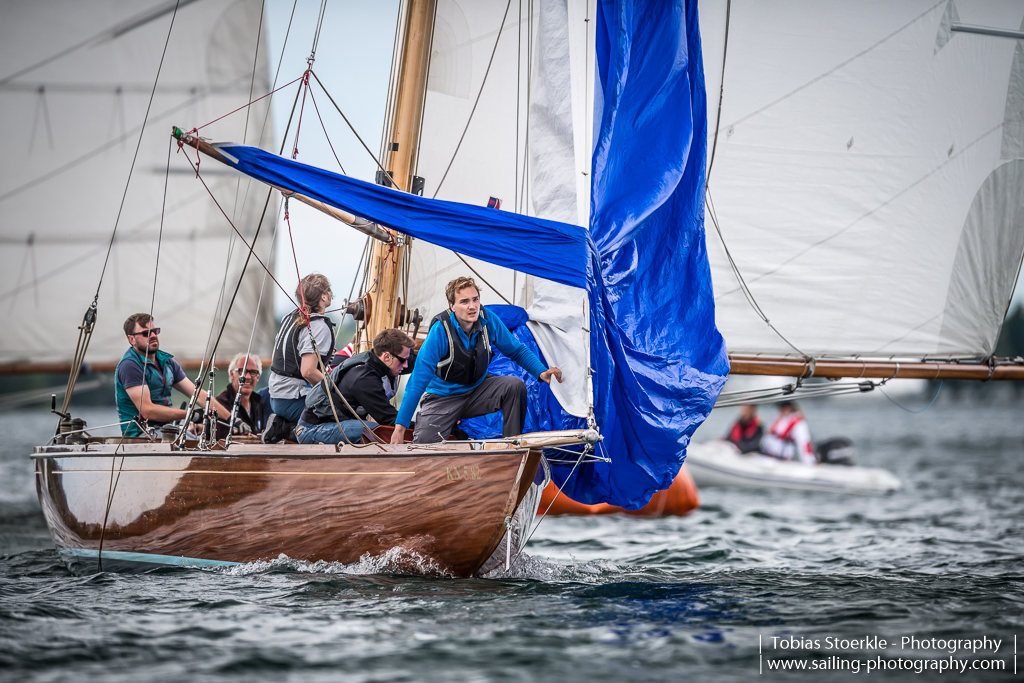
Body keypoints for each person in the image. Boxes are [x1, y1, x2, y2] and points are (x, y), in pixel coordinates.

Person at [391, 276, 562, 445]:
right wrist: (400, 429)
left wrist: (541, 371)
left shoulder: (488, 320)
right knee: (424, 445)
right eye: (464, 301)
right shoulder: (440, 331)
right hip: (443, 398)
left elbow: (516, 350)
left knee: (514, 386)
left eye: (475, 299)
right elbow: (417, 380)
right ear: (452, 306)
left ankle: (511, 447)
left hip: (478, 391)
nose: (472, 306)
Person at [115, 313, 228, 437]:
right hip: (140, 435)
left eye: (155, 331)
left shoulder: (167, 362)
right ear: (131, 339)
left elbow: (199, 395)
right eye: (146, 333)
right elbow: (147, 411)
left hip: (165, 430)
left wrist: (232, 420)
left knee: (211, 440)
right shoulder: (130, 366)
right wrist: (190, 415)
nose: (153, 336)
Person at [296, 328, 414, 444]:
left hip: (337, 423)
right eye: (403, 360)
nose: (405, 365)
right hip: (313, 429)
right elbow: (388, 418)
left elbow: (414, 361)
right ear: (387, 357)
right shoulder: (364, 378)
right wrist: (421, 427)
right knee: (378, 432)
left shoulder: (376, 360)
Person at [265, 274, 336, 440]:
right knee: (343, 419)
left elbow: (276, 357)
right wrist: (336, 393)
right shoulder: (317, 326)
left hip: (276, 397)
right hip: (294, 400)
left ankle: (286, 425)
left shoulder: (290, 317)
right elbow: (308, 371)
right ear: (323, 297)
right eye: (329, 291)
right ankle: (289, 430)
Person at [214, 352, 266, 440]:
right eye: (243, 371)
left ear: (258, 377)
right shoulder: (220, 404)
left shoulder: (258, 402)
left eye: (253, 372)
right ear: (232, 374)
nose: (248, 377)